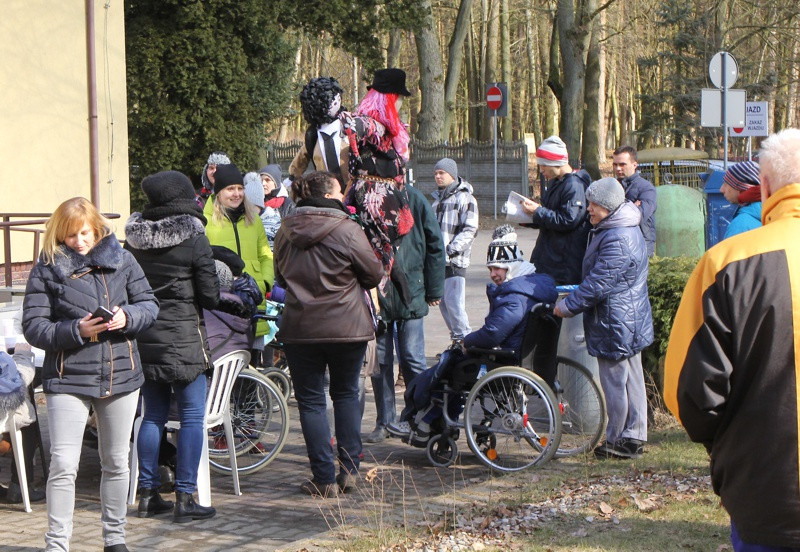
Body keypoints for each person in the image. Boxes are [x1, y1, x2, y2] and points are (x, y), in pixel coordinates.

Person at [664, 128, 800, 551]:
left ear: (767, 186)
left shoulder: (727, 263)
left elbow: (689, 393)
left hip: (767, 494)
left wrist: (728, 451)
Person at [22, 197, 158, 552]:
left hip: (121, 375)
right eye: (70, 235)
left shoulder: (124, 259)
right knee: (64, 463)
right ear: (58, 235)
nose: (79, 241)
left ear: (96, 228)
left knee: (115, 461)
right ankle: (57, 544)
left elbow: (150, 305)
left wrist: (128, 317)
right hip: (67, 378)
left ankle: (115, 540)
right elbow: (34, 327)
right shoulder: (47, 268)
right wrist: (77, 330)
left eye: (84, 233)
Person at [387, 225, 557, 444]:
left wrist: (467, 341)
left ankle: (425, 423)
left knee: (449, 367)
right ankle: (427, 422)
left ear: (511, 267)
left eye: (498, 268)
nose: (493, 274)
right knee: (453, 363)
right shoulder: (530, 288)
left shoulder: (515, 298)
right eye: (490, 269)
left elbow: (493, 334)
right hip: (517, 357)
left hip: (503, 360)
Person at [273, 171, 383, 497]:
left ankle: (323, 478)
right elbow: (374, 273)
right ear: (331, 194)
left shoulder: (285, 229)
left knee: (310, 402)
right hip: (346, 327)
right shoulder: (348, 229)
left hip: (301, 327)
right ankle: (348, 471)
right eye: (340, 190)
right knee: (346, 394)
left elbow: (279, 276)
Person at [124, 170, 220, 523]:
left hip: (144, 338)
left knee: (152, 416)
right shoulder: (195, 240)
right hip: (184, 342)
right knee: (193, 417)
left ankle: (148, 495)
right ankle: (185, 497)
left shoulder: (132, 242)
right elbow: (209, 296)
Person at [554, 178, 653, 459]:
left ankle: (617, 440)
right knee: (631, 378)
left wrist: (567, 306)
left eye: (593, 205)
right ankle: (633, 435)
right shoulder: (616, 228)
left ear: (608, 206)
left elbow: (599, 283)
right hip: (628, 318)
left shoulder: (618, 237)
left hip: (616, 321)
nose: (588, 210)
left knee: (615, 381)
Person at [520, 135, 591, 389]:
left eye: (543, 165)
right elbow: (556, 217)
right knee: (543, 325)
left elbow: (568, 220)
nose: (541, 170)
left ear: (555, 161)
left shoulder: (573, 185)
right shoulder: (559, 183)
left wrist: (537, 212)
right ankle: (543, 382)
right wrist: (530, 216)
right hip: (549, 261)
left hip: (560, 267)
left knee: (547, 326)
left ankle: (546, 384)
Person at [203, 163, 274, 366]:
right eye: (230, 189)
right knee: (225, 363)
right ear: (218, 192)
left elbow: (266, 256)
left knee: (251, 365)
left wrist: (264, 284)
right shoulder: (205, 221)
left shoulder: (254, 219)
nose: (237, 194)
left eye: (240, 188)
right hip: (223, 304)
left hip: (254, 300)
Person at [431, 157, 479, 345]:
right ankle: (457, 341)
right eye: (435, 173)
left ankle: (465, 341)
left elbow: (470, 229)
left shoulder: (465, 198)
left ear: (452, 174)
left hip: (455, 261)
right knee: (444, 305)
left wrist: (452, 249)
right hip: (438, 261)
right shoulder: (436, 202)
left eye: (441, 173)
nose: (438, 177)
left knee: (455, 304)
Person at [289, 77, 351, 190]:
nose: (336, 102)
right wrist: (293, 176)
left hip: (352, 186)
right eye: (331, 101)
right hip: (326, 189)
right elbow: (303, 155)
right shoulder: (313, 135)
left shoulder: (349, 124)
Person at [612, 145, 657, 257]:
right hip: (615, 243)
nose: (618, 168)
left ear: (634, 165)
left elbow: (638, 216)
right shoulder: (611, 187)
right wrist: (631, 206)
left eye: (622, 164)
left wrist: (614, 211)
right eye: (615, 164)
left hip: (640, 246)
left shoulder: (647, 188)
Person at [719, 160, 762, 239]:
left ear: (742, 189)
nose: (721, 190)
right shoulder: (774, 214)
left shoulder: (740, 226)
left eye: (726, 184)